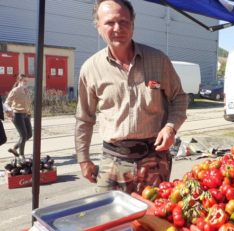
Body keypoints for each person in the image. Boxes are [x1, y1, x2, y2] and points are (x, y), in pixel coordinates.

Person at [75, 0, 188, 194]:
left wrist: (171, 128)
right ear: (98, 27)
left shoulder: (158, 60)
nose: (118, 28)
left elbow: (179, 97)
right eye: (110, 23)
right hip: (113, 161)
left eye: (124, 21)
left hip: (154, 159)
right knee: (108, 218)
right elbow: (84, 118)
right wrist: (83, 159)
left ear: (133, 25)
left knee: (153, 219)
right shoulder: (90, 69)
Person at [4, 74, 33, 159]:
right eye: (24, 81)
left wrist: (29, 113)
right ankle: (21, 156)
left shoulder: (26, 90)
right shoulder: (15, 90)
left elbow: (28, 103)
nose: (26, 83)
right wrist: (9, 112)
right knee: (23, 135)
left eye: (27, 81)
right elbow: (6, 103)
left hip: (26, 114)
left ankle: (14, 148)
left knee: (29, 135)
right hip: (17, 114)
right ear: (19, 81)